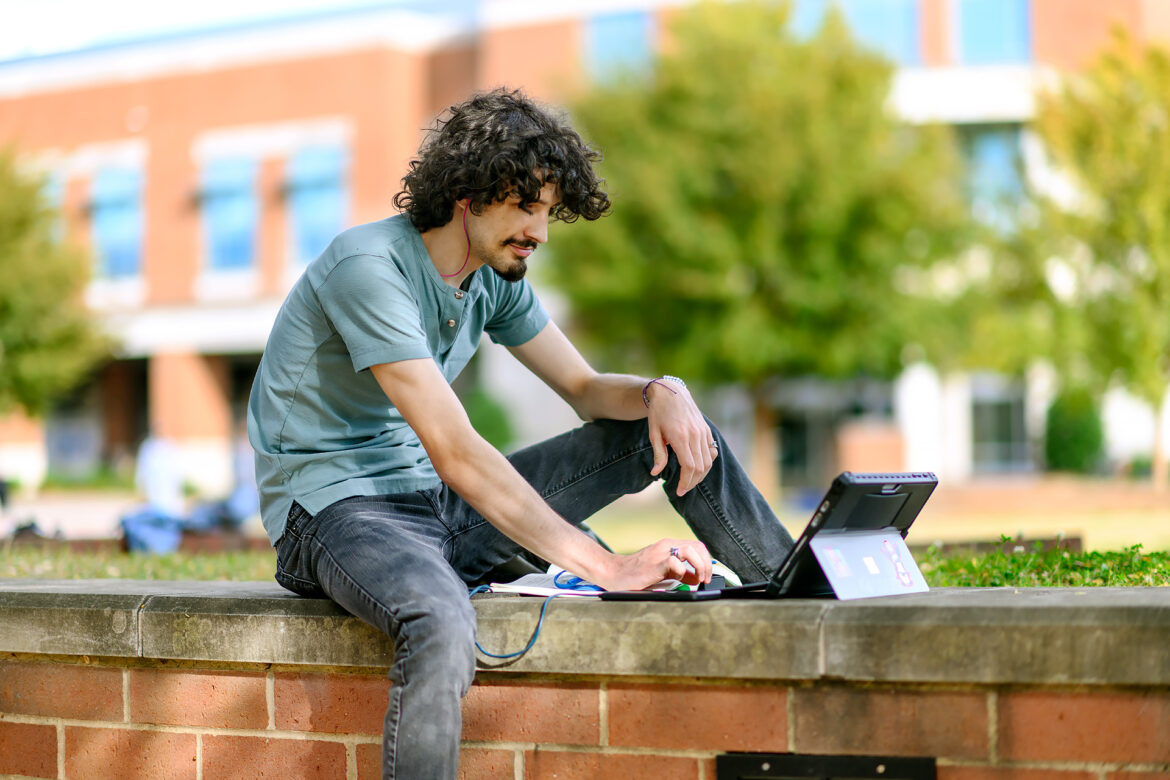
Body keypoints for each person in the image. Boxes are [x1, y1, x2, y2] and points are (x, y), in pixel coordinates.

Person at [247, 87, 794, 779]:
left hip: (437, 508)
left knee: (663, 424)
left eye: (548, 212)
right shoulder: (368, 268)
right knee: (440, 621)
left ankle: (795, 588)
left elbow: (587, 391)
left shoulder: (494, 277)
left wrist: (664, 391)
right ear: (468, 194)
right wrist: (605, 567)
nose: (539, 230)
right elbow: (456, 449)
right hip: (334, 513)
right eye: (526, 206)